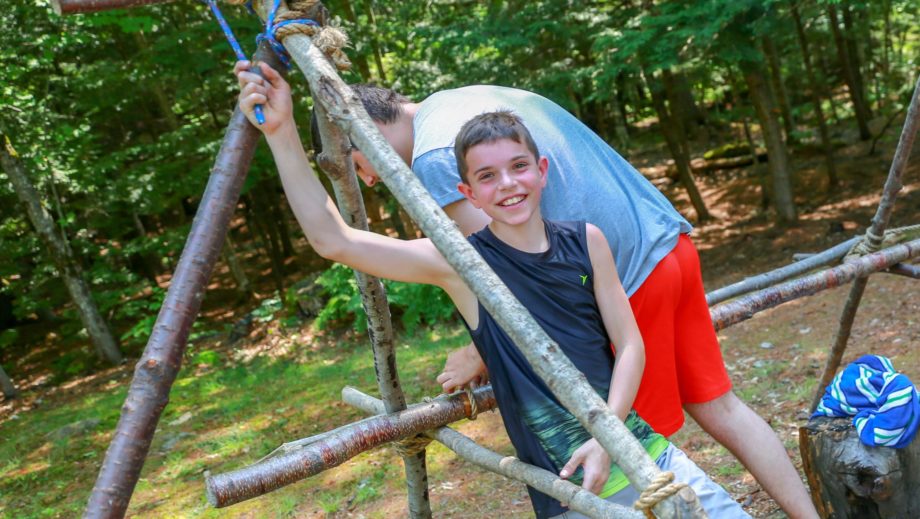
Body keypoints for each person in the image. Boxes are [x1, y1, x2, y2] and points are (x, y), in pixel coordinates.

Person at [235, 62, 748, 518]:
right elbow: (333, 239)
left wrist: (606, 436)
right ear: (466, 193)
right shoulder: (462, 265)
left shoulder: (587, 242)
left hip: (652, 460)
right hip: (578, 495)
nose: (506, 184)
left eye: (518, 167)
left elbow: (631, 343)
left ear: (542, 171)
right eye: (486, 176)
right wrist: (280, 133)